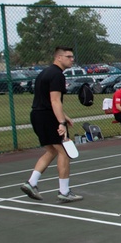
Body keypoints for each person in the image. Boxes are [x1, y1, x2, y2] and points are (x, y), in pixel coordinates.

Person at [20, 46, 83, 203]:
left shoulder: (45, 73)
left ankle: (31, 183)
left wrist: (65, 116)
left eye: (72, 56)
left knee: (51, 150)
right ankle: (64, 192)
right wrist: (61, 122)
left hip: (37, 115)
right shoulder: (57, 75)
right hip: (48, 117)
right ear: (59, 58)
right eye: (69, 56)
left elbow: (46, 100)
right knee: (64, 152)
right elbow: (55, 101)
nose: (72, 59)